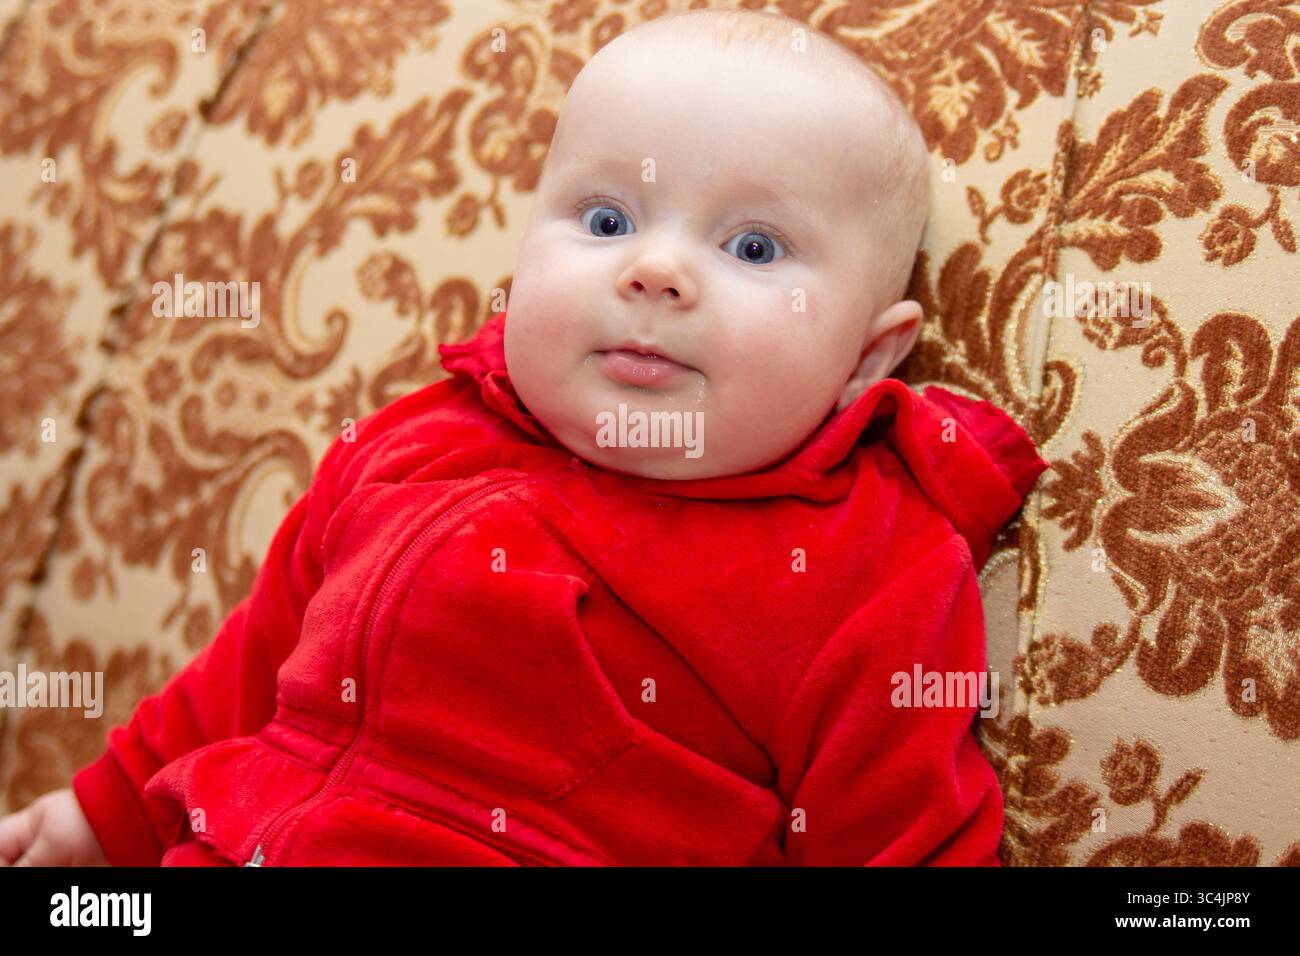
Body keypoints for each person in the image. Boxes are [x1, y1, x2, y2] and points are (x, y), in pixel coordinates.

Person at [0, 8, 1049, 867]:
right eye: (605, 220)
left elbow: (904, 840)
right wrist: (107, 817)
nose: (654, 270)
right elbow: (257, 658)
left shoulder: (868, 573)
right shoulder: (411, 442)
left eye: (753, 244)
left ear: (870, 360)